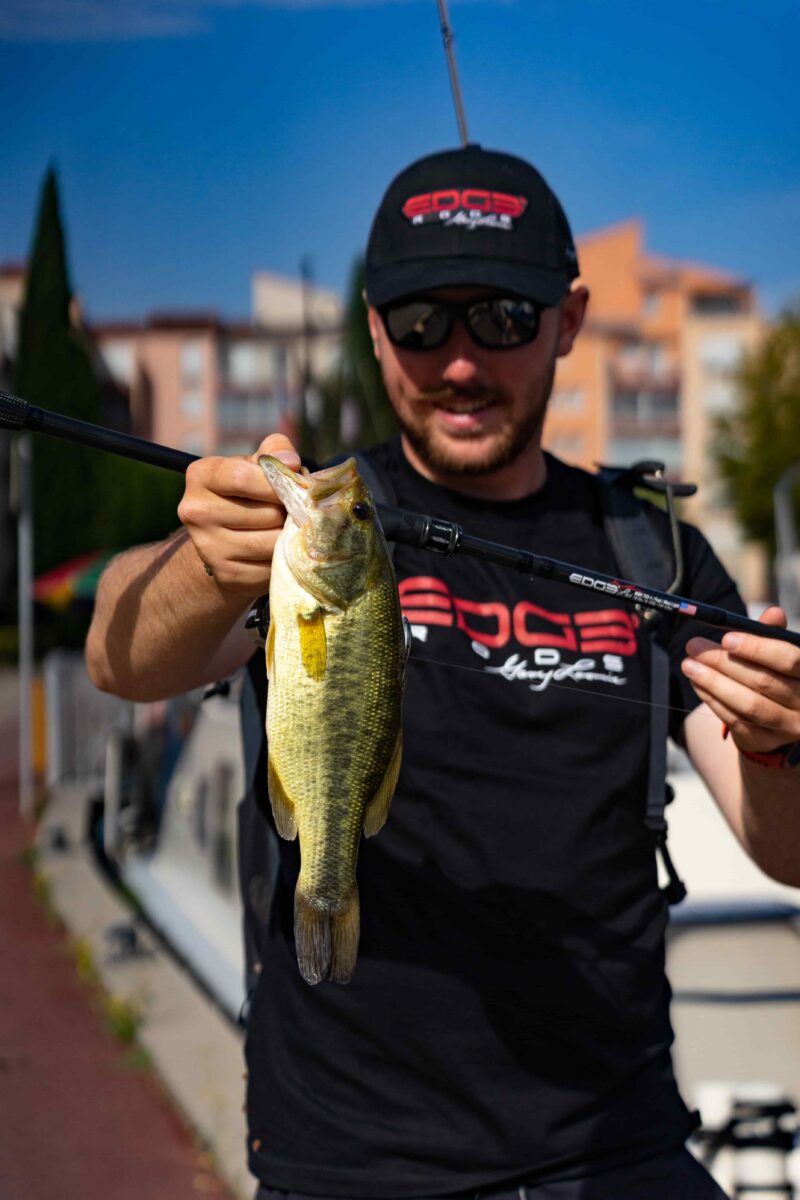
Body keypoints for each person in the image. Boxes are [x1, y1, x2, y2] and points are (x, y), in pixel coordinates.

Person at [85, 145, 800, 1200]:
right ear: (373, 331)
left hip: (617, 1152)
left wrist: (780, 742)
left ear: (567, 318)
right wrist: (205, 565)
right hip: (349, 1164)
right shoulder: (320, 523)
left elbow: (778, 850)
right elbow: (118, 653)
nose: (458, 362)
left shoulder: (652, 553)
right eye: (420, 323)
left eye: (501, 319)